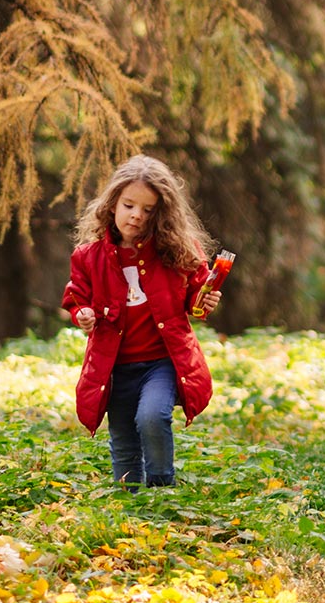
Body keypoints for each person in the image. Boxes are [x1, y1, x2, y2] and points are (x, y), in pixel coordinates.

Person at [61, 155, 220, 488]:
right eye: (129, 205)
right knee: (122, 438)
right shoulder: (89, 257)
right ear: (112, 204)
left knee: (152, 416)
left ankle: (162, 489)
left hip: (161, 362)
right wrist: (83, 315)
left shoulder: (177, 251)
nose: (136, 215)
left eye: (148, 210)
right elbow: (76, 297)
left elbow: (195, 298)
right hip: (114, 365)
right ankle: (129, 500)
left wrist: (204, 300)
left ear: (161, 215)